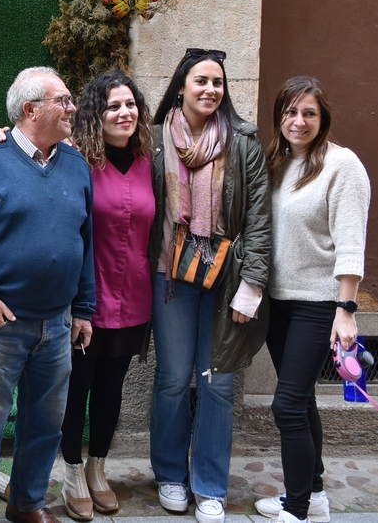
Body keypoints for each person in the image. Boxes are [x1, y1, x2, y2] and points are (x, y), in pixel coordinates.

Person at [0, 66, 95, 523]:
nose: (72, 108)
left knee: (46, 425)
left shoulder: (76, 164)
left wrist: (83, 308)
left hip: (58, 322)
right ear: (31, 110)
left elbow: (86, 243)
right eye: (63, 100)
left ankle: (26, 506)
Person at [149, 48, 271, 523]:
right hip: (169, 278)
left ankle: (210, 486)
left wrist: (253, 284)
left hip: (226, 280)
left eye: (218, 82)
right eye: (201, 81)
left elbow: (259, 219)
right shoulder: (155, 139)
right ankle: (170, 476)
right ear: (181, 86)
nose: (210, 90)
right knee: (175, 379)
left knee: (218, 382)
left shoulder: (243, 143)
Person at [255, 76, 369, 523]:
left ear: (323, 119)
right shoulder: (279, 163)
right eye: (289, 112)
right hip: (279, 302)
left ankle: (297, 509)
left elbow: (350, 242)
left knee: (286, 405)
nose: (298, 121)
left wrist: (347, 309)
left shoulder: (343, 166)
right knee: (301, 402)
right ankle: (314, 495)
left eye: (309, 113)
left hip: (318, 304)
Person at [59, 71, 156, 520]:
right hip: (88, 301)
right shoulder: (77, 161)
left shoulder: (147, 162)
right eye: (114, 106)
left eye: (130, 105)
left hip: (134, 297)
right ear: (98, 113)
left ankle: (99, 466)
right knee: (77, 387)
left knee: (111, 389)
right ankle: (73, 471)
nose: (124, 113)